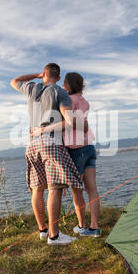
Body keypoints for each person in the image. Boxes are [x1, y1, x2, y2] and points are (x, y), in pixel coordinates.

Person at [10, 63, 84, 245]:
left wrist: (36, 75)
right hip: (50, 144)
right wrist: (45, 130)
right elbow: (70, 122)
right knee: (54, 189)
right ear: (58, 78)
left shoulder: (32, 87)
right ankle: (54, 236)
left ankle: (43, 230)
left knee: (36, 189)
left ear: (44, 74)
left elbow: (14, 81)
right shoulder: (60, 92)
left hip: (32, 145)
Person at [33, 72, 100, 237]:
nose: (62, 86)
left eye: (64, 84)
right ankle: (94, 227)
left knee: (77, 190)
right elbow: (82, 123)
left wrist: (42, 130)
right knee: (92, 189)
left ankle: (82, 226)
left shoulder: (68, 100)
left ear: (67, 86)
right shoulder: (85, 102)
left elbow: (67, 123)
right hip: (89, 147)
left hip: (76, 149)